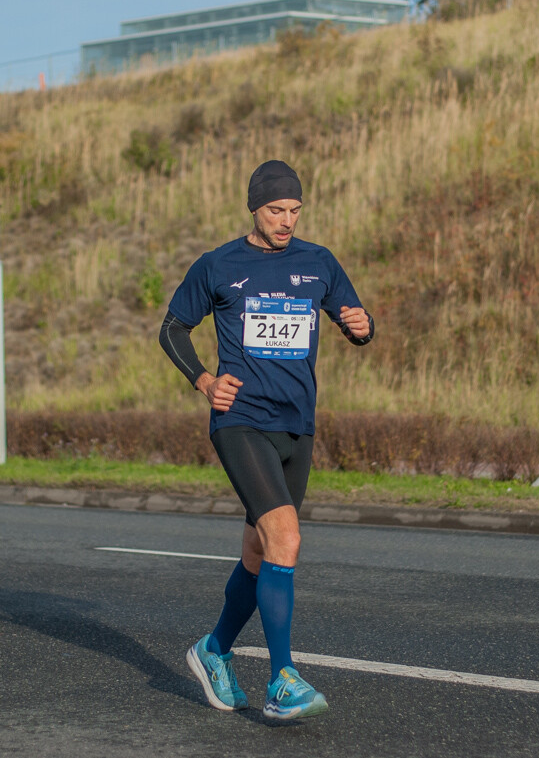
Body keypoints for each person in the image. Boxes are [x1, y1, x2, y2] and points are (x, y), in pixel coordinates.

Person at [159, 159, 374, 720]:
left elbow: (353, 318)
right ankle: (283, 679)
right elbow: (172, 327)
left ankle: (213, 651)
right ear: (254, 207)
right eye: (276, 210)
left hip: (297, 424)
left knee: (261, 549)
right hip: (241, 421)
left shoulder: (318, 262)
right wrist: (206, 381)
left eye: (295, 210)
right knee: (286, 538)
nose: (286, 220)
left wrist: (362, 326)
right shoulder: (219, 265)